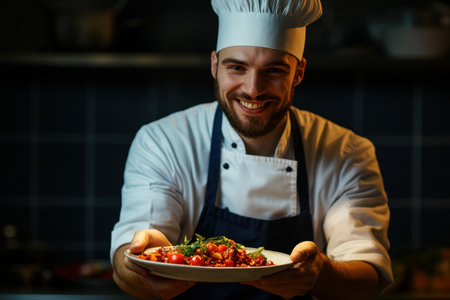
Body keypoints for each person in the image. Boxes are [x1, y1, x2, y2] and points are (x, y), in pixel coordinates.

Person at [110, 0, 393, 299]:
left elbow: (369, 276)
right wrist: (142, 259)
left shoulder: (347, 152)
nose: (253, 88)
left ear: (298, 73)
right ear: (214, 65)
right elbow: (124, 269)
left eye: (273, 70)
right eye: (237, 67)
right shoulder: (164, 141)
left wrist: (320, 273)